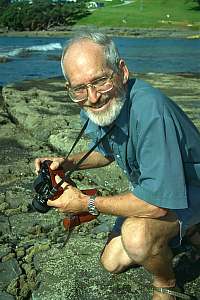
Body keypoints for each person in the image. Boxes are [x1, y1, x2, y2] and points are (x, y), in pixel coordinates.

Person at [35, 32, 200, 300]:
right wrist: (67, 164)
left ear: (121, 71)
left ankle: (166, 282)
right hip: (158, 192)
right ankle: (187, 232)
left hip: (189, 188)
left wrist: (86, 204)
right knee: (112, 262)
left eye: (100, 80)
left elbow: (156, 204)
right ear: (70, 88)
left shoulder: (150, 111)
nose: (92, 97)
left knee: (137, 238)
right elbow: (107, 152)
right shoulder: (97, 106)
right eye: (79, 88)